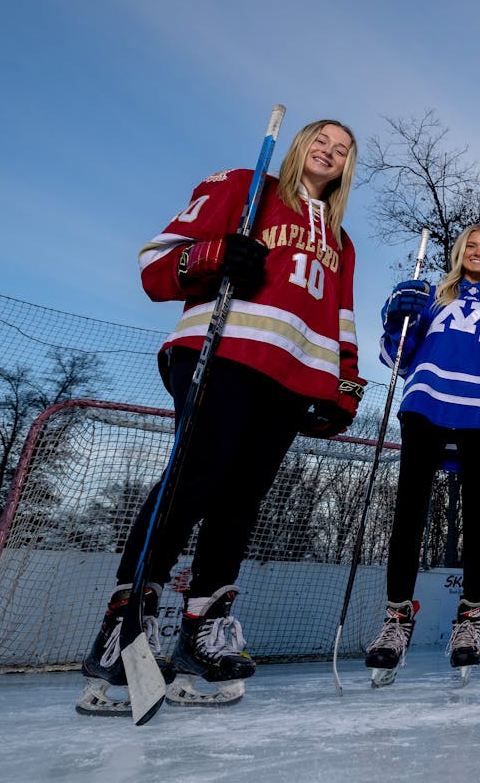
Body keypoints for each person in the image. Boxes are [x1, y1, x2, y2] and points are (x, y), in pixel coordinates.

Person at [79, 119, 365, 713]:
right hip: (224, 349)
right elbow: (157, 264)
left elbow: (341, 315)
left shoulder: (341, 239)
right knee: (196, 477)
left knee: (241, 498)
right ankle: (129, 622)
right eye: (322, 140)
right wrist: (214, 255)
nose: (330, 152)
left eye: (342, 151)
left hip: (293, 373)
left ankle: (204, 626)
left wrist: (345, 384)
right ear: (298, 143)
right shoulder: (245, 186)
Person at [363, 224, 480, 687]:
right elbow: (396, 356)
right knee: (409, 512)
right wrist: (397, 318)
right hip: (426, 404)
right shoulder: (430, 295)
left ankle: (470, 619)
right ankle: (397, 618)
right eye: (471, 246)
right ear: (459, 252)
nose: (478, 253)